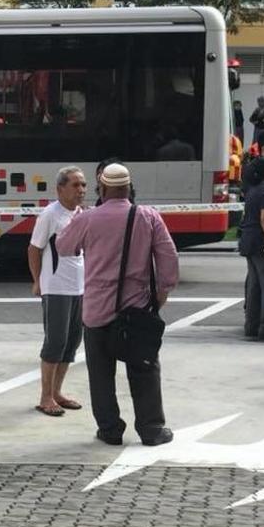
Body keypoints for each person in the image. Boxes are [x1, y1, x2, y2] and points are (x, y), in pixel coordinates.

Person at [57, 163, 179, 447]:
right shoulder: (148, 216)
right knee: (145, 369)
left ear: (102, 188)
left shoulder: (88, 218)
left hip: (97, 311)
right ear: (129, 188)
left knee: (100, 374)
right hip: (138, 310)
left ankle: (110, 430)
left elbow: (63, 247)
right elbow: (168, 258)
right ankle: (151, 428)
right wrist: (162, 291)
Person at [28, 166, 87, 417]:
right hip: (56, 287)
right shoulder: (50, 215)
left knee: (72, 341)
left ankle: (57, 392)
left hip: (78, 287)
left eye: (83, 185)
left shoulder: (82, 214)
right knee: (55, 341)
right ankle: (45, 397)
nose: (81, 190)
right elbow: (34, 248)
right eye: (75, 185)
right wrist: (37, 280)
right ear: (60, 188)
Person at [238, 129, 264, 340]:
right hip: (262, 241)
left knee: (254, 285)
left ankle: (251, 325)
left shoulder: (252, 190)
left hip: (248, 241)